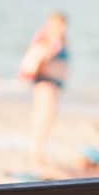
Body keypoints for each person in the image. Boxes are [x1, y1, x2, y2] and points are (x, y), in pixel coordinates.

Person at [17, 11, 69, 169]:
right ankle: (36, 155)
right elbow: (41, 59)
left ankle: (37, 153)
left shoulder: (54, 40)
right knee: (43, 118)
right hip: (47, 84)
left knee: (45, 118)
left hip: (50, 84)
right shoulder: (50, 41)